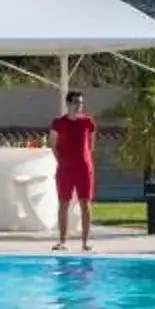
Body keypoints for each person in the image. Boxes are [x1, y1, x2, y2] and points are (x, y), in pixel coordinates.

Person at [50, 90, 97, 252]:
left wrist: (84, 160)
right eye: (76, 102)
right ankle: (63, 241)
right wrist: (62, 161)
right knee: (64, 203)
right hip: (65, 168)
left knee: (85, 202)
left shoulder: (88, 122)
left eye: (81, 102)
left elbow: (91, 144)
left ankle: (85, 242)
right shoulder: (58, 123)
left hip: (84, 168)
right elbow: (54, 145)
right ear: (68, 103)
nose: (79, 105)